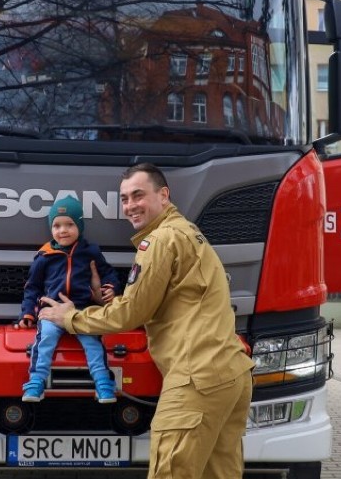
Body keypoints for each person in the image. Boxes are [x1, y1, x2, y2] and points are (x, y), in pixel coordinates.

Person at [38, 163, 254, 479]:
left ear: (163, 195)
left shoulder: (161, 240)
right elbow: (167, 300)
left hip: (197, 379)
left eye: (138, 195)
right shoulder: (187, 231)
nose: (130, 206)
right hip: (230, 376)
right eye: (124, 199)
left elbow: (132, 313)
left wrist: (71, 317)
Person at [17, 195, 121, 404]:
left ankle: (103, 383)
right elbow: (32, 287)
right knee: (45, 339)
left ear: (80, 226)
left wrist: (110, 288)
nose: (62, 230)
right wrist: (27, 312)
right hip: (51, 313)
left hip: (83, 311)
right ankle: (36, 381)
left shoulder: (90, 251)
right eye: (56, 225)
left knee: (93, 342)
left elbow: (109, 273)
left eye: (69, 224)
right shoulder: (45, 255)